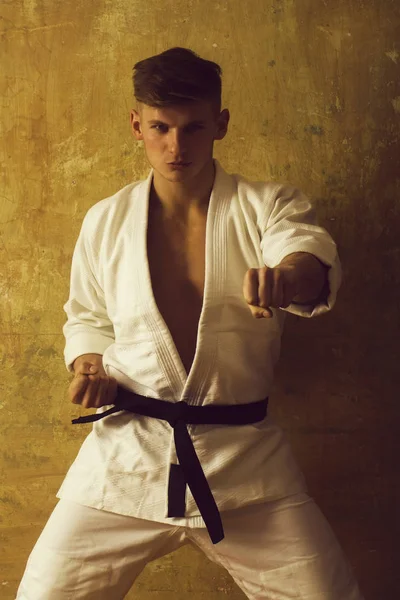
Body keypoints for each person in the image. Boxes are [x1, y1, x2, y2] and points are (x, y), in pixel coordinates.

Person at [17, 47, 364, 599]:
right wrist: (88, 364)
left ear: (219, 124)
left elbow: (305, 253)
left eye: (194, 127)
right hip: (127, 458)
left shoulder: (267, 205)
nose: (176, 147)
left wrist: (288, 277)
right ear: (138, 125)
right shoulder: (105, 221)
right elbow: (87, 316)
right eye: (160, 127)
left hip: (245, 467)